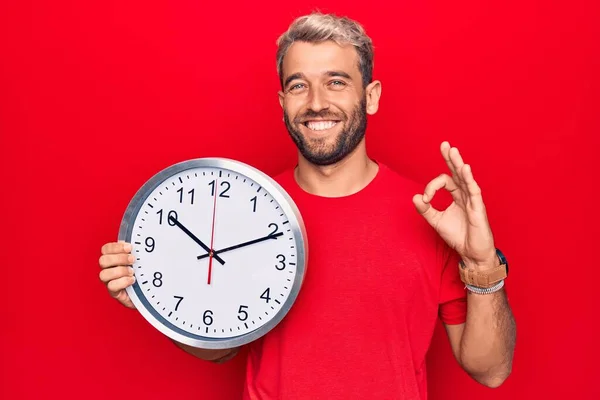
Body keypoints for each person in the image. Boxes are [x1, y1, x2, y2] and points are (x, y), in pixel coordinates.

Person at [98, 11, 516, 399]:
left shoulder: (429, 214)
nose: (316, 102)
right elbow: (218, 350)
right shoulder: (239, 210)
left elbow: (490, 370)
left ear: (370, 96)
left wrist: (481, 262)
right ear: (282, 103)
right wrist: (157, 301)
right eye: (298, 85)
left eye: (336, 81)